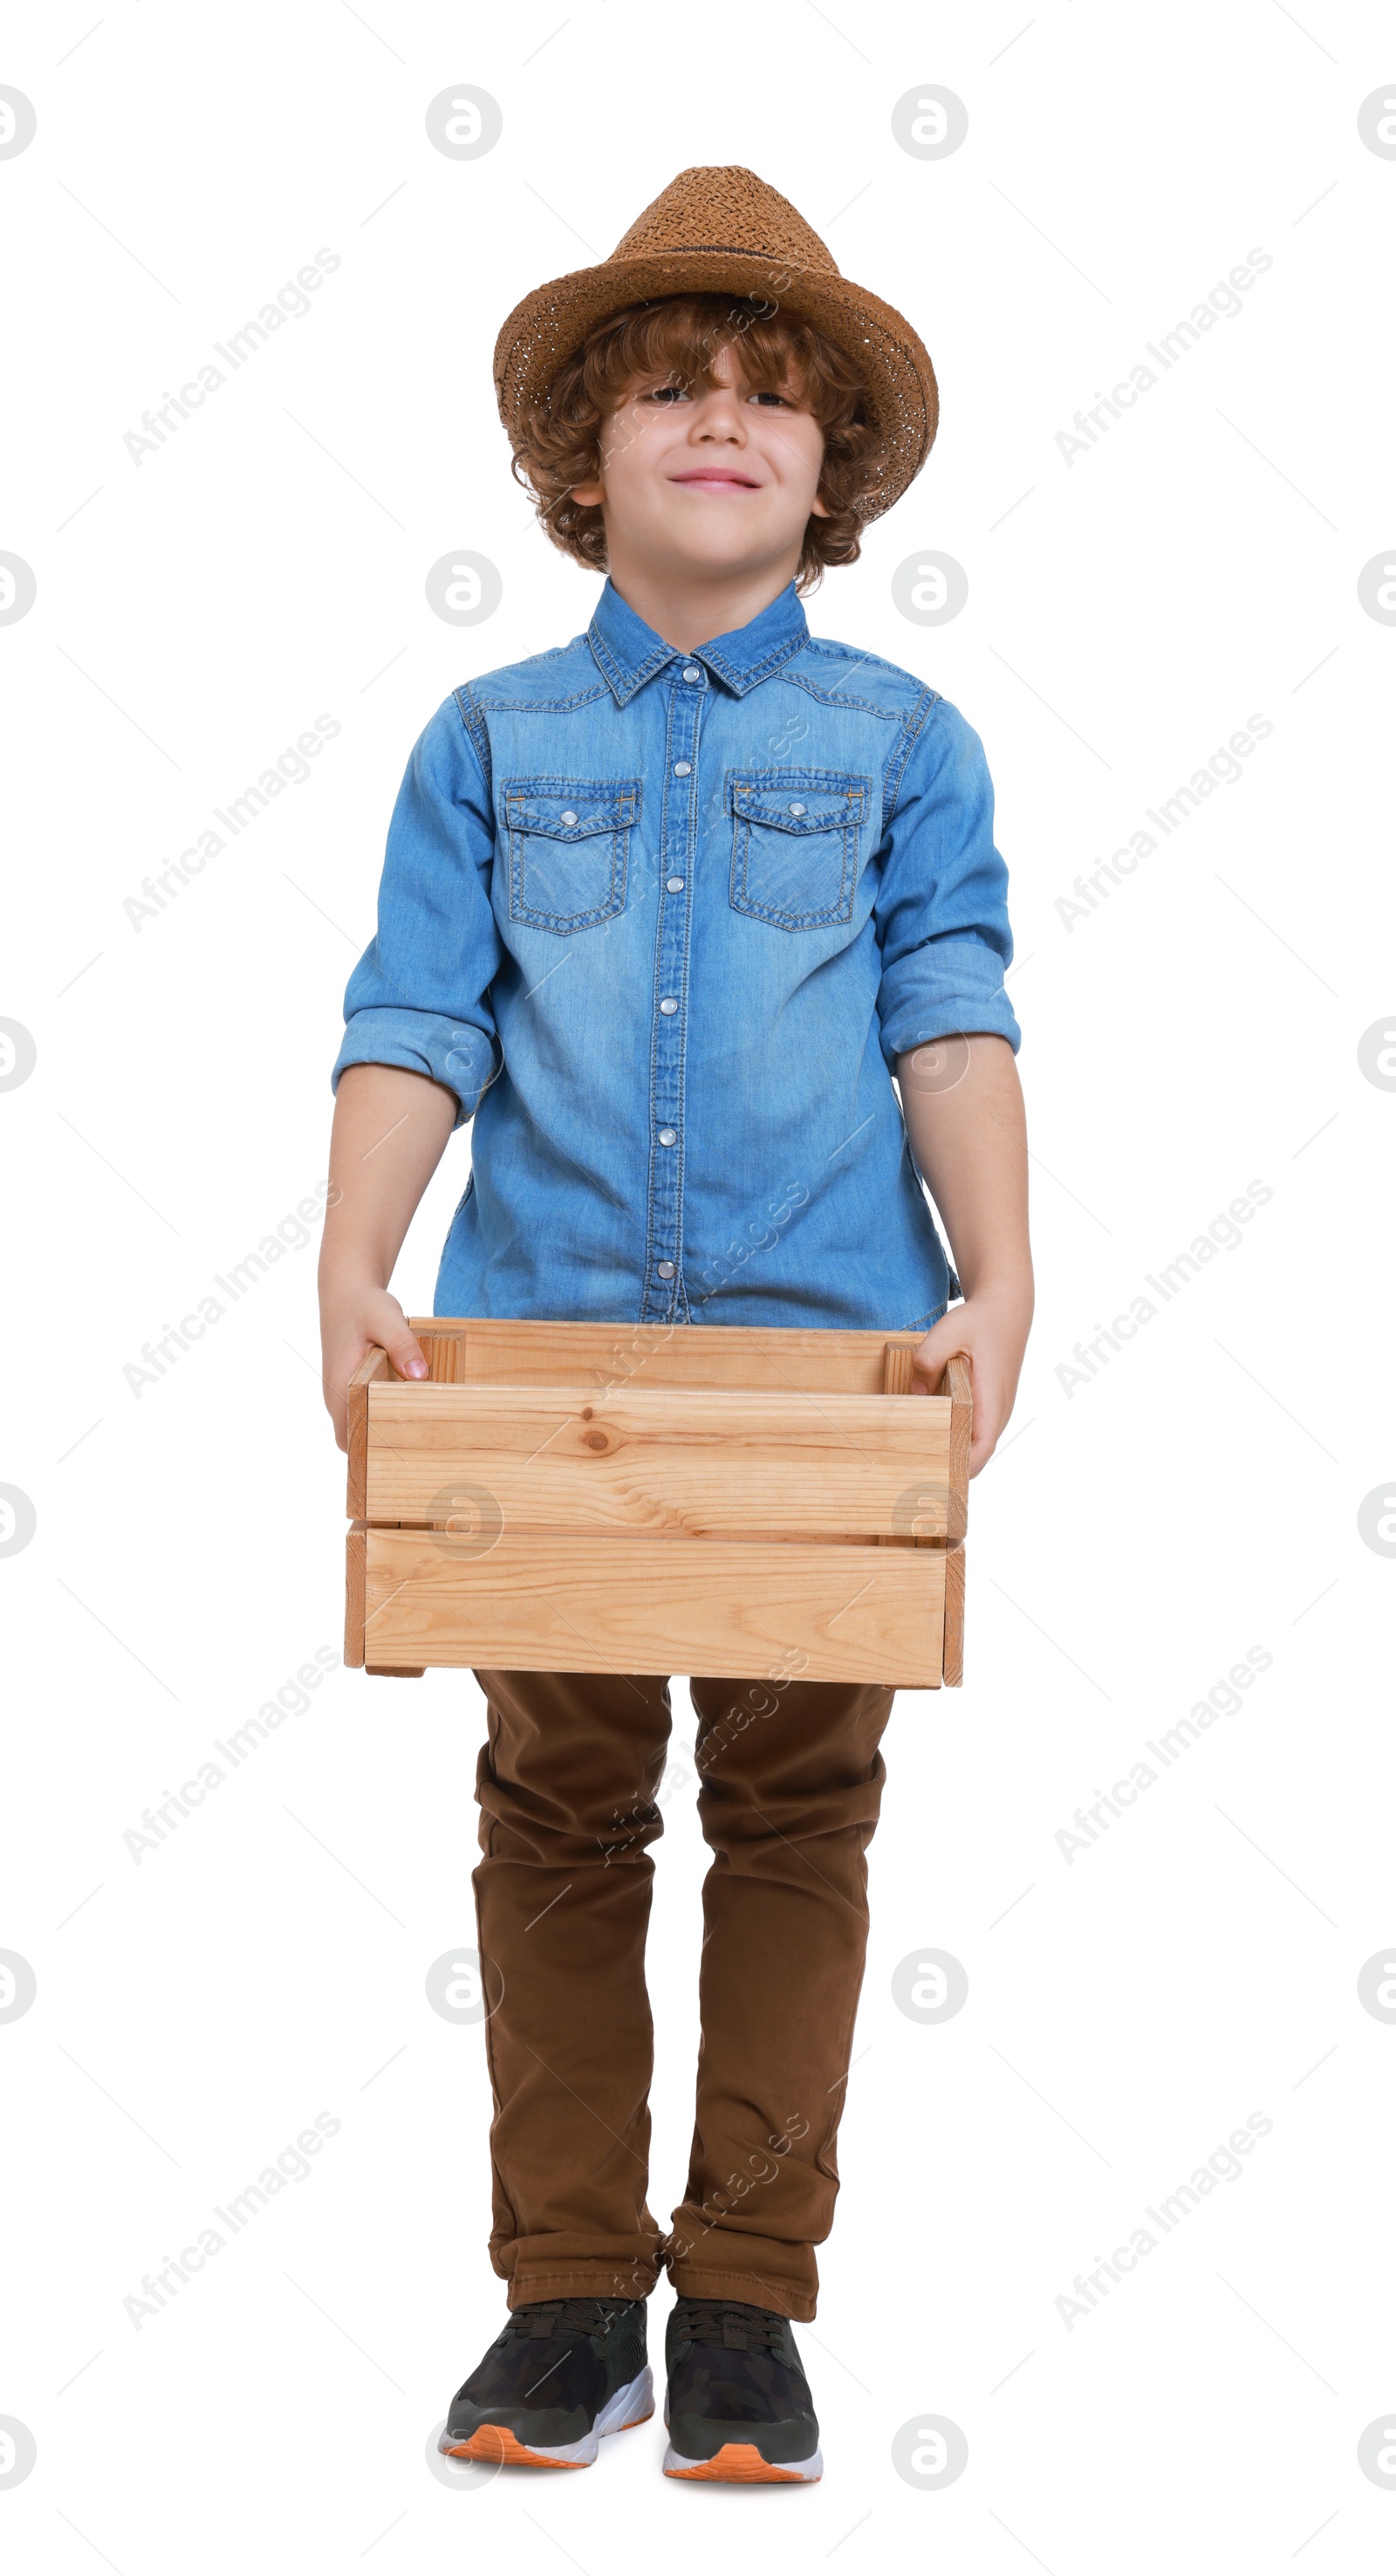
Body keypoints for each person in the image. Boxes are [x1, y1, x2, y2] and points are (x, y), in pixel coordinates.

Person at [318, 165, 1032, 2485]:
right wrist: (355, 1262)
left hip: (835, 1360)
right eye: (666, 392)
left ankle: (742, 2298)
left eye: (767, 398)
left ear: (832, 476)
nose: (720, 421)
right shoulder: (492, 743)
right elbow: (420, 1016)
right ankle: (561, 2299)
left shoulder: (911, 744)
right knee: (558, 1805)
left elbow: (949, 1018)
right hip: (542, 1368)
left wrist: (1001, 1281)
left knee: (801, 1805)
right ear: (582, 464)